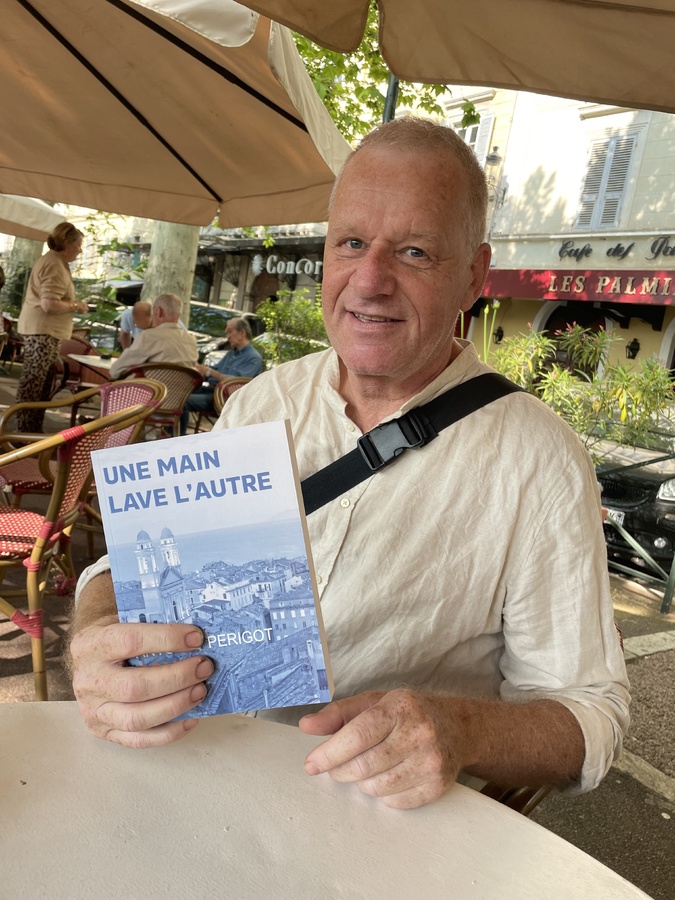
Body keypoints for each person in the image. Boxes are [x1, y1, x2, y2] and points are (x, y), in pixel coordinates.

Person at [68, 117, 629, 811]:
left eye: (415, 252)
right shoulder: (264, 401)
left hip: (370, 830)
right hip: (194, 778)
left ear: (473, 276)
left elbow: (589, 716)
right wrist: (97, 630)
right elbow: (143, 567)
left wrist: (460, 729)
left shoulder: (537, 458)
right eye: (352, 243)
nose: (370, 281)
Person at [16, 222, 89, 432]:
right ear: (67, 243)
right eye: (78, 245)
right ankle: (23, 434)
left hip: (43, 330)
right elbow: (48, 304)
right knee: (33, 384)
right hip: (42, 331)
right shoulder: (55, 265)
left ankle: (30, 431)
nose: (80, 250)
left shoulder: (53, 261)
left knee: (40, 384)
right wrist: (76, 305)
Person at [179, 317, 263, 434]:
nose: (227, 337)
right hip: (211, 390)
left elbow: (235, 382)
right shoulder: (231, 353)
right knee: (178, 393)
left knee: (183, 400)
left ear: (242, 333)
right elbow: (215, 371)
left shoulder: (253, 358)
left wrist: (209, 372)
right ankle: (170, 433)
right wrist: (200, 369)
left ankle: (179, 438)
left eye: (229, 332)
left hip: (224, 398)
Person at [109, 293, 197, 379]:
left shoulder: (148, 337)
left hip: (149, 388)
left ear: (158, 312)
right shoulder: (191, 341)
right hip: (181, 389)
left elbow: (115, 371)